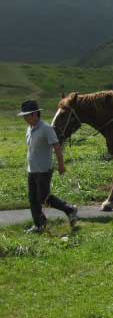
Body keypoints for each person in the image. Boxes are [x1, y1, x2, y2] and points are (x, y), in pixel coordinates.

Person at [18, 100, 78, 233]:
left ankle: (70, 209)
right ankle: (39, 225)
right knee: (33, 199)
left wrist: (61, 165)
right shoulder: (30, 128)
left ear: (35, 114)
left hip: (44, 169)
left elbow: (57, 147)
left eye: (27, 115)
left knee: (44, 197)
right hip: (32, 170)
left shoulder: (46, 128)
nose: (25, 118)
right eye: (24, 116)